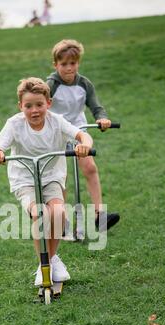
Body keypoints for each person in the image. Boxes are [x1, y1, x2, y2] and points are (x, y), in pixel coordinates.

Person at [0, 77, 93, 286]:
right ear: (20, 106)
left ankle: (50, 260)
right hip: (24, 178)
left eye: (39, 105)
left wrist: (85, 145)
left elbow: (82, 136)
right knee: (39, 213)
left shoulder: (56, 121)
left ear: (48, 103)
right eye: (28, 106)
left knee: (58, 212)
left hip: (51, 176)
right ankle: (45, 263)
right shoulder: (14, 124)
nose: (34, 110)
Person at [46, 39, 120, 231]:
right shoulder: (51, 84)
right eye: (63, 64)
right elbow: (42, 103)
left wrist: (102, 118)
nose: (69, 68)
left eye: (73, 63)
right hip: (57, 131)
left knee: (89, 167)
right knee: (59, 175)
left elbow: (96, 106)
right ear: (56, 64)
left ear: (78, 63)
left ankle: (99, 215)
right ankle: (61, 218)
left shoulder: (84, 84)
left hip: (79, 130)